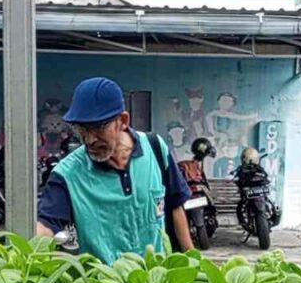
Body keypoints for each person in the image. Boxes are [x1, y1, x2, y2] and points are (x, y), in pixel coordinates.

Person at [35, 77, 194, 264]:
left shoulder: (155, 149)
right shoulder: (67, 174)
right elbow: (47, 226)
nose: (89, 139)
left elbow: (175, 205)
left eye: (98, 128)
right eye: (82, 129)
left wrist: (193, 263)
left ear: (123, 121)